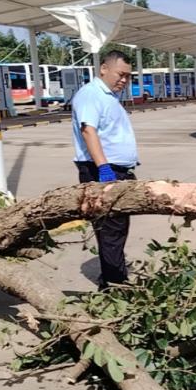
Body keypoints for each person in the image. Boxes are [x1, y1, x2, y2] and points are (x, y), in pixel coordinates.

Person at [71, 50, 138, 289]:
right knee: (110, 229)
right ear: (104, 69)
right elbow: (89, 130)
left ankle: (113, 277)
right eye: (121, 74)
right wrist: (104, 168)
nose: (124, 80)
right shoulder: (91, 95)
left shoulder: (109, 96)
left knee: (117, 229)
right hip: (102, 171)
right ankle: (114, 284)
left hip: (117, 170)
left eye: (128, 76)